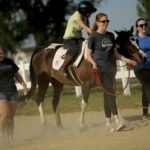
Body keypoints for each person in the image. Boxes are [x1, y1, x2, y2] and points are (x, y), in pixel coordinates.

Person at [87, 13, 137, 131]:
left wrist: (128, 60)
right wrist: (94, 64)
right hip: (101, 70)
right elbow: (87, 55)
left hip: (111, 69)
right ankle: (117, 120)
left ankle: (108, 123)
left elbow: (116, 54)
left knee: (107, 95)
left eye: (107, 21)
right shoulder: (93, 37)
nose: (106, 23)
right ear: (98, 23)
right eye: (103, 21)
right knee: (110, 93)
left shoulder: (110, 36)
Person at [60, 0, 97, 76]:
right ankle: (63, 67)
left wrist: (92, 39)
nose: (90, 14)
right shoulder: (76, 18)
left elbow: (89, 32)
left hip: (78, 38)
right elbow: (87, 29)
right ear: (84, 12)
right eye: (89, 12)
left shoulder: (86, 18)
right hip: (69, 39)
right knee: (75, 49)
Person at [0, 46, 28, 144]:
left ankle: (10, 138)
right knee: (5, 114)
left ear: (4, 53)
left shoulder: (10, 62)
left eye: (2, 53)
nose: (0, 55)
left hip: (12, 91)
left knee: (11, 116)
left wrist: (24, 85)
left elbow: (17, 75)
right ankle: (1, 133)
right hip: (1, 92)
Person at [134, 18, 150, 120]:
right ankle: (145, 114)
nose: (144, 27)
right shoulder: (133, 39)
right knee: (147, 85)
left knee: (146, 87)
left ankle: (145, 113)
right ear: (137, 28)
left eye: (145, 24)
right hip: (140, 68)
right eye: (141, 25)